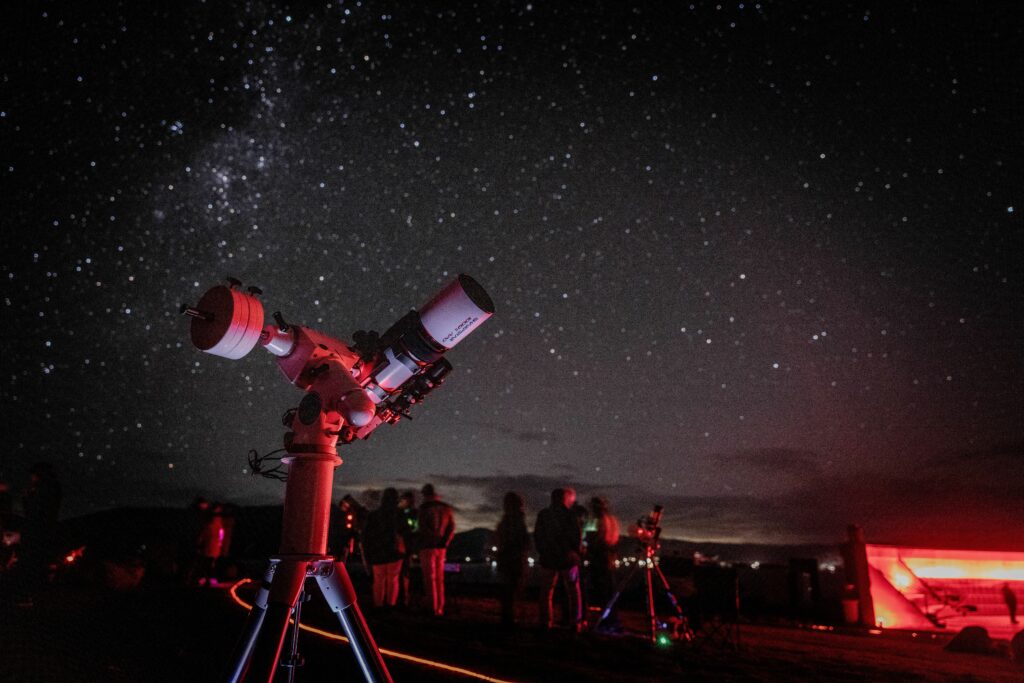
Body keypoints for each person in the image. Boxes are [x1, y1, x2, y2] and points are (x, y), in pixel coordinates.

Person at [534, 487, 583, 631]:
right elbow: (576, 536)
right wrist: (575, 552)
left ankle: (546, 622)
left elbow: (538, 536)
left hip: (549, 558)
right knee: (573, 591)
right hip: (568, 559)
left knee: (546, 592)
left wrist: (543, 552)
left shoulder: (544, 515)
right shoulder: (570, 515)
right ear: (565, 498)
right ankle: (576, 623)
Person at [362, 488, 405, 608]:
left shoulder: (374, 516)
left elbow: (367, 536)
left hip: (378, 552)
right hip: (395, 553)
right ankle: (391, 604)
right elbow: (406, 533)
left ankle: (379, 604)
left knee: (379, 580)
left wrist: (368, 552)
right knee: (393, 579)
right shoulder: (399, 515)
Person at [417, 483, 455, 616]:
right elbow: (451, 527)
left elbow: (422, 528)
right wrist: (445, 541)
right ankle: (440, 606)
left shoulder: (423, 508)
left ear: (425, 494)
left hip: (428, 546)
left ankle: (432, 607)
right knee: (440, 578)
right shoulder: (446, 508)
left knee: (430, 578)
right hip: (441, 547)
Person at [494, 491, 530, 629]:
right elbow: (523, 541)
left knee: (507, 590)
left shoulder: (505, 521)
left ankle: (507, 617)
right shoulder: (518, 521)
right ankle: (512, 618)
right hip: (515, 559)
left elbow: (501, 539)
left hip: (506, 558)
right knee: (514, 589)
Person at [586, 496, 621, 630]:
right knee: (610, 588)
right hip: (610, 557)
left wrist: (588, 547)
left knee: (603, 589)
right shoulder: (613, 520)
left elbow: (597, 540)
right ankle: (612, 616)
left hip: (600, 558)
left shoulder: (599, 521)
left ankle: (605, 619)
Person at [397, 490, 419, 608]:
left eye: (403, 499)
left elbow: (415, 529)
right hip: (401, 546)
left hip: (407, 546)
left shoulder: (413, 513)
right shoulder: (399, 513)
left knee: (404, 572)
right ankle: (400, 597)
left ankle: (404, 598)